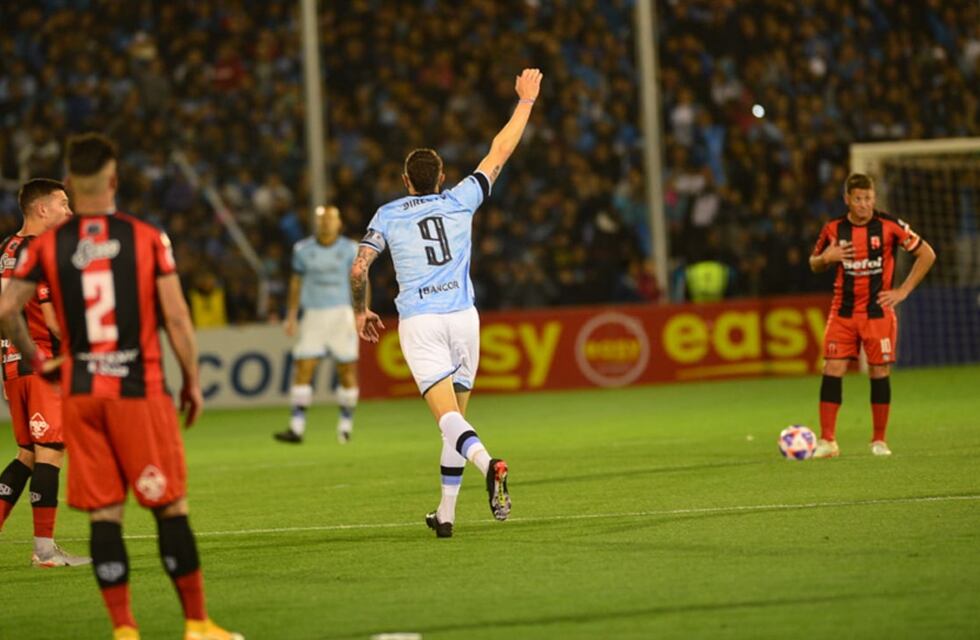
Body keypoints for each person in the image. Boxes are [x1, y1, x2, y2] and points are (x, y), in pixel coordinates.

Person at [0, 133, 242, 640]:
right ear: (112, 182)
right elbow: (177, 317)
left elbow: (6, 310)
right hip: (138, 389)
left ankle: (124, 629)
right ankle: (197, 623)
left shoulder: (46, 247)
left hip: (83, 392)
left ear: (71, 184)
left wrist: (43, 363)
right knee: (169, 505)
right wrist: (193, 381)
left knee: (104, 512)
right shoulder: (145, 236)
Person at [350, 68, 543, 538]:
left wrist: (360, 309)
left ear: (404, 181)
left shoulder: (388, 213)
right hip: (464, 320)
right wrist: (525, 103)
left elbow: (359, 268)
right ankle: (446, 514)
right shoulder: (461, 199)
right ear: (440, 177)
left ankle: (490, 463)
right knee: (455, 421)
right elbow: (500, 150)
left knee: (448, 421)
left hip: (421, 323)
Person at [809, 173, 936, 458]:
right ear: (847, 200)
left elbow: (927, 253)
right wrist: (825, 259)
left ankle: (879, 440)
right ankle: (828, 441)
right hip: (842, 313)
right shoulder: (833, 229)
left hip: (878, 314)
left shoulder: (890, 226)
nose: (864, 204)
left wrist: (903, 291)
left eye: (868, 198)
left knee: (879, 371)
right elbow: (813, 263)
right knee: (832, 369)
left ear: (874, 198)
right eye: (858, 199)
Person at [0, 178, 90, 567]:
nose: (69, 212)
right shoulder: (40, 251)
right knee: (50, 451)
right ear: (41, 209)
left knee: (27, 454)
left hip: (12, 365)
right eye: (63, 204)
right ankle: (45, 551)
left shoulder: (6, 249)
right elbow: (53, 321)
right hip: (43, 366)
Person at [273, 205, 360, 444]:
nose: (325, 223)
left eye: (330, 219)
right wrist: (291, 316)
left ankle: (345, 426)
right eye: (321, 219)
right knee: (303, 368)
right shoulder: (302, 250)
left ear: (339, 224)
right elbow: (295, 284)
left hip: (342, 315)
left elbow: (360, 282)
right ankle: (296, 427)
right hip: (312, 315)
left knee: (346, 371)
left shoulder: (350, 249)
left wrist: (360, 312)